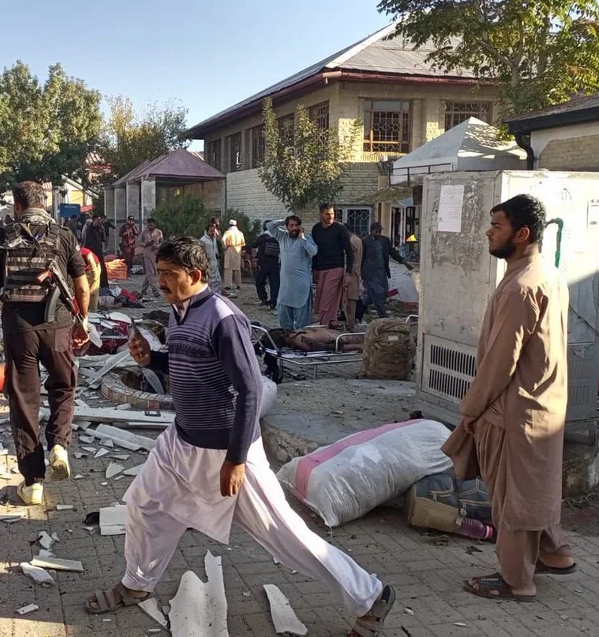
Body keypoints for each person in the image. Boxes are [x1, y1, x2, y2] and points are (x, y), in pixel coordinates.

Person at [85, 237, 396, 635]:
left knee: (284, 536)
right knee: (145, 507)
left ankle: (370, 597)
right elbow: (191, 361)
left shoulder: (222, 316)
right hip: (181, 441)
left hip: (227, 449)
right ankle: (136, 585)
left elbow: (249, 389)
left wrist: (235, 460)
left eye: (168, 275)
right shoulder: (179, 311)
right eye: (159, 273)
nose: (160, 282)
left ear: (195, 275)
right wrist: (154, 358)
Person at [442, 194, 574, 602]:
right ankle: (555, 554)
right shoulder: (544, 273)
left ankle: (518, 580)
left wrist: (471, 411)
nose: (488, 231)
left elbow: (499, 362)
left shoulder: (521, 286)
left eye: (496, 226)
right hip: (544, 406)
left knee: (512, 497)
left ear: (521, 234)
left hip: (515, 411)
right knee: (537, 486)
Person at [0, 182, 90, 506]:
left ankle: (32, 482)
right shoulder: (64, 235)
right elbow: (82, 288)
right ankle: (59, 445)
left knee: (24, 402)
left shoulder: (1, 236)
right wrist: (83, 320)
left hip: (18, 328)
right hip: (57, 325)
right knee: (63, 386)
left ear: (16, 206)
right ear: (45, 204)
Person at [269, 216, 317, 331]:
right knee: (284, 322)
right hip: (286, 287)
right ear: (287, 227)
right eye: (291, 225)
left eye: (296, 225)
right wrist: (283, 220)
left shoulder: (306, 238)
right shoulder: (282, 236)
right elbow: (269, 226)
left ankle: (300, 346)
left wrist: (303, 238)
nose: (294, 228)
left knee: (302, 326)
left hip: (301, 288)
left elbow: (313, 252)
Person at [311, 204, 354, 327]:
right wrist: (314, 270)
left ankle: (324, 324)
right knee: (320, 297)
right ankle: (328, 322)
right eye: (327, 214)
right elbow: (315, 252)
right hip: (321, 268)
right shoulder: (316, 229)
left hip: (336, 267)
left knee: (328, 298)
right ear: (320, 214)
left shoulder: (340, 228)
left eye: (332, 213)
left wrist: (348, 273)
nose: (330, 216)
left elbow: (349, 252)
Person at [361, 222, 411, 319]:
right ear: (371, 231)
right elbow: (361, 258)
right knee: (378, 293)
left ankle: (362, 305)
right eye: (376, 232)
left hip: (382, 271)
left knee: (381, 294)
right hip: (370, 273)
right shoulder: (365, 241)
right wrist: (361, 272)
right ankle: (383, 315)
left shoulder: (385, 241)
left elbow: (392, 253)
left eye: (380, 231)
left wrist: (403, 261)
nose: (379, 234)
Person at [253, 220, 281, 310]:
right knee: (275, 283)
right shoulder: (277, 238)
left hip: (263, 264)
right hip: (275, 265)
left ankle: (264, 299)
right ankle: (274, 302)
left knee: (260, 282)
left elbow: (254, 245)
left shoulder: (262, 237)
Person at [344, 223, 364, 331]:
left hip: (350, 273)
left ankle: (350, 324)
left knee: (348, 301)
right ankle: (350, 323)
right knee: (352, 300)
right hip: (355, 273)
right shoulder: (358, 239)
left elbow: (349, 257)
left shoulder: (351, 241)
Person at [139, 218, 164, 299]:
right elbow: (139, 242)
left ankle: (143, 289)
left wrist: (157, 246)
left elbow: (161, 242)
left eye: (152, 225)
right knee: (150, 273)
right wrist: (146, 244)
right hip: (147, 255)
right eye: (149, 225)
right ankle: (155, 290)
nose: (150, 226)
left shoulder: (159, 232)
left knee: (152, 273)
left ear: (155, 224)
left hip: (156, 255)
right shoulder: (144, 232)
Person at [83, 214, 109, 288]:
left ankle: (104, 285)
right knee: (93, 270)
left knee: (102, 269)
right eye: (98, 220)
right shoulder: (89, 229)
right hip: (91, 253)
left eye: (100, 220)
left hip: (98, 252)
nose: (99, 222)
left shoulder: (99, 229)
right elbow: (88, 242)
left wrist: (102, 229)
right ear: (94, 220)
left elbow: (103, 239)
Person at [221, 219, 245, 293]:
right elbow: (243, 243)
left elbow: (222, 240)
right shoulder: (240, 233)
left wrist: (225, 247)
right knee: (237, 269)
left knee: (228, 268)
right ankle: (238, 284)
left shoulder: (228, 232)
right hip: (238, 250)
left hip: (230, 249)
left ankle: (228, 285)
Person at [199, 223, 223, 294]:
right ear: (207, 231)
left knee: (217, 281)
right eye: (211, 231)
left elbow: (215, 249)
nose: (213, 233)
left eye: (213, 231)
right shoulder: (203, 240)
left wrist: (217, 254)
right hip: (207, 264)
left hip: (214, 263)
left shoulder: (214, 239)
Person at [80, 246, 102, 312]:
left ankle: (93, 310)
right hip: (84, 269)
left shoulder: (87, 254)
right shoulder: (72, 254)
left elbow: (94, 270)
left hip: (95, 267)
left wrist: (94, 282)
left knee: (94, 291)